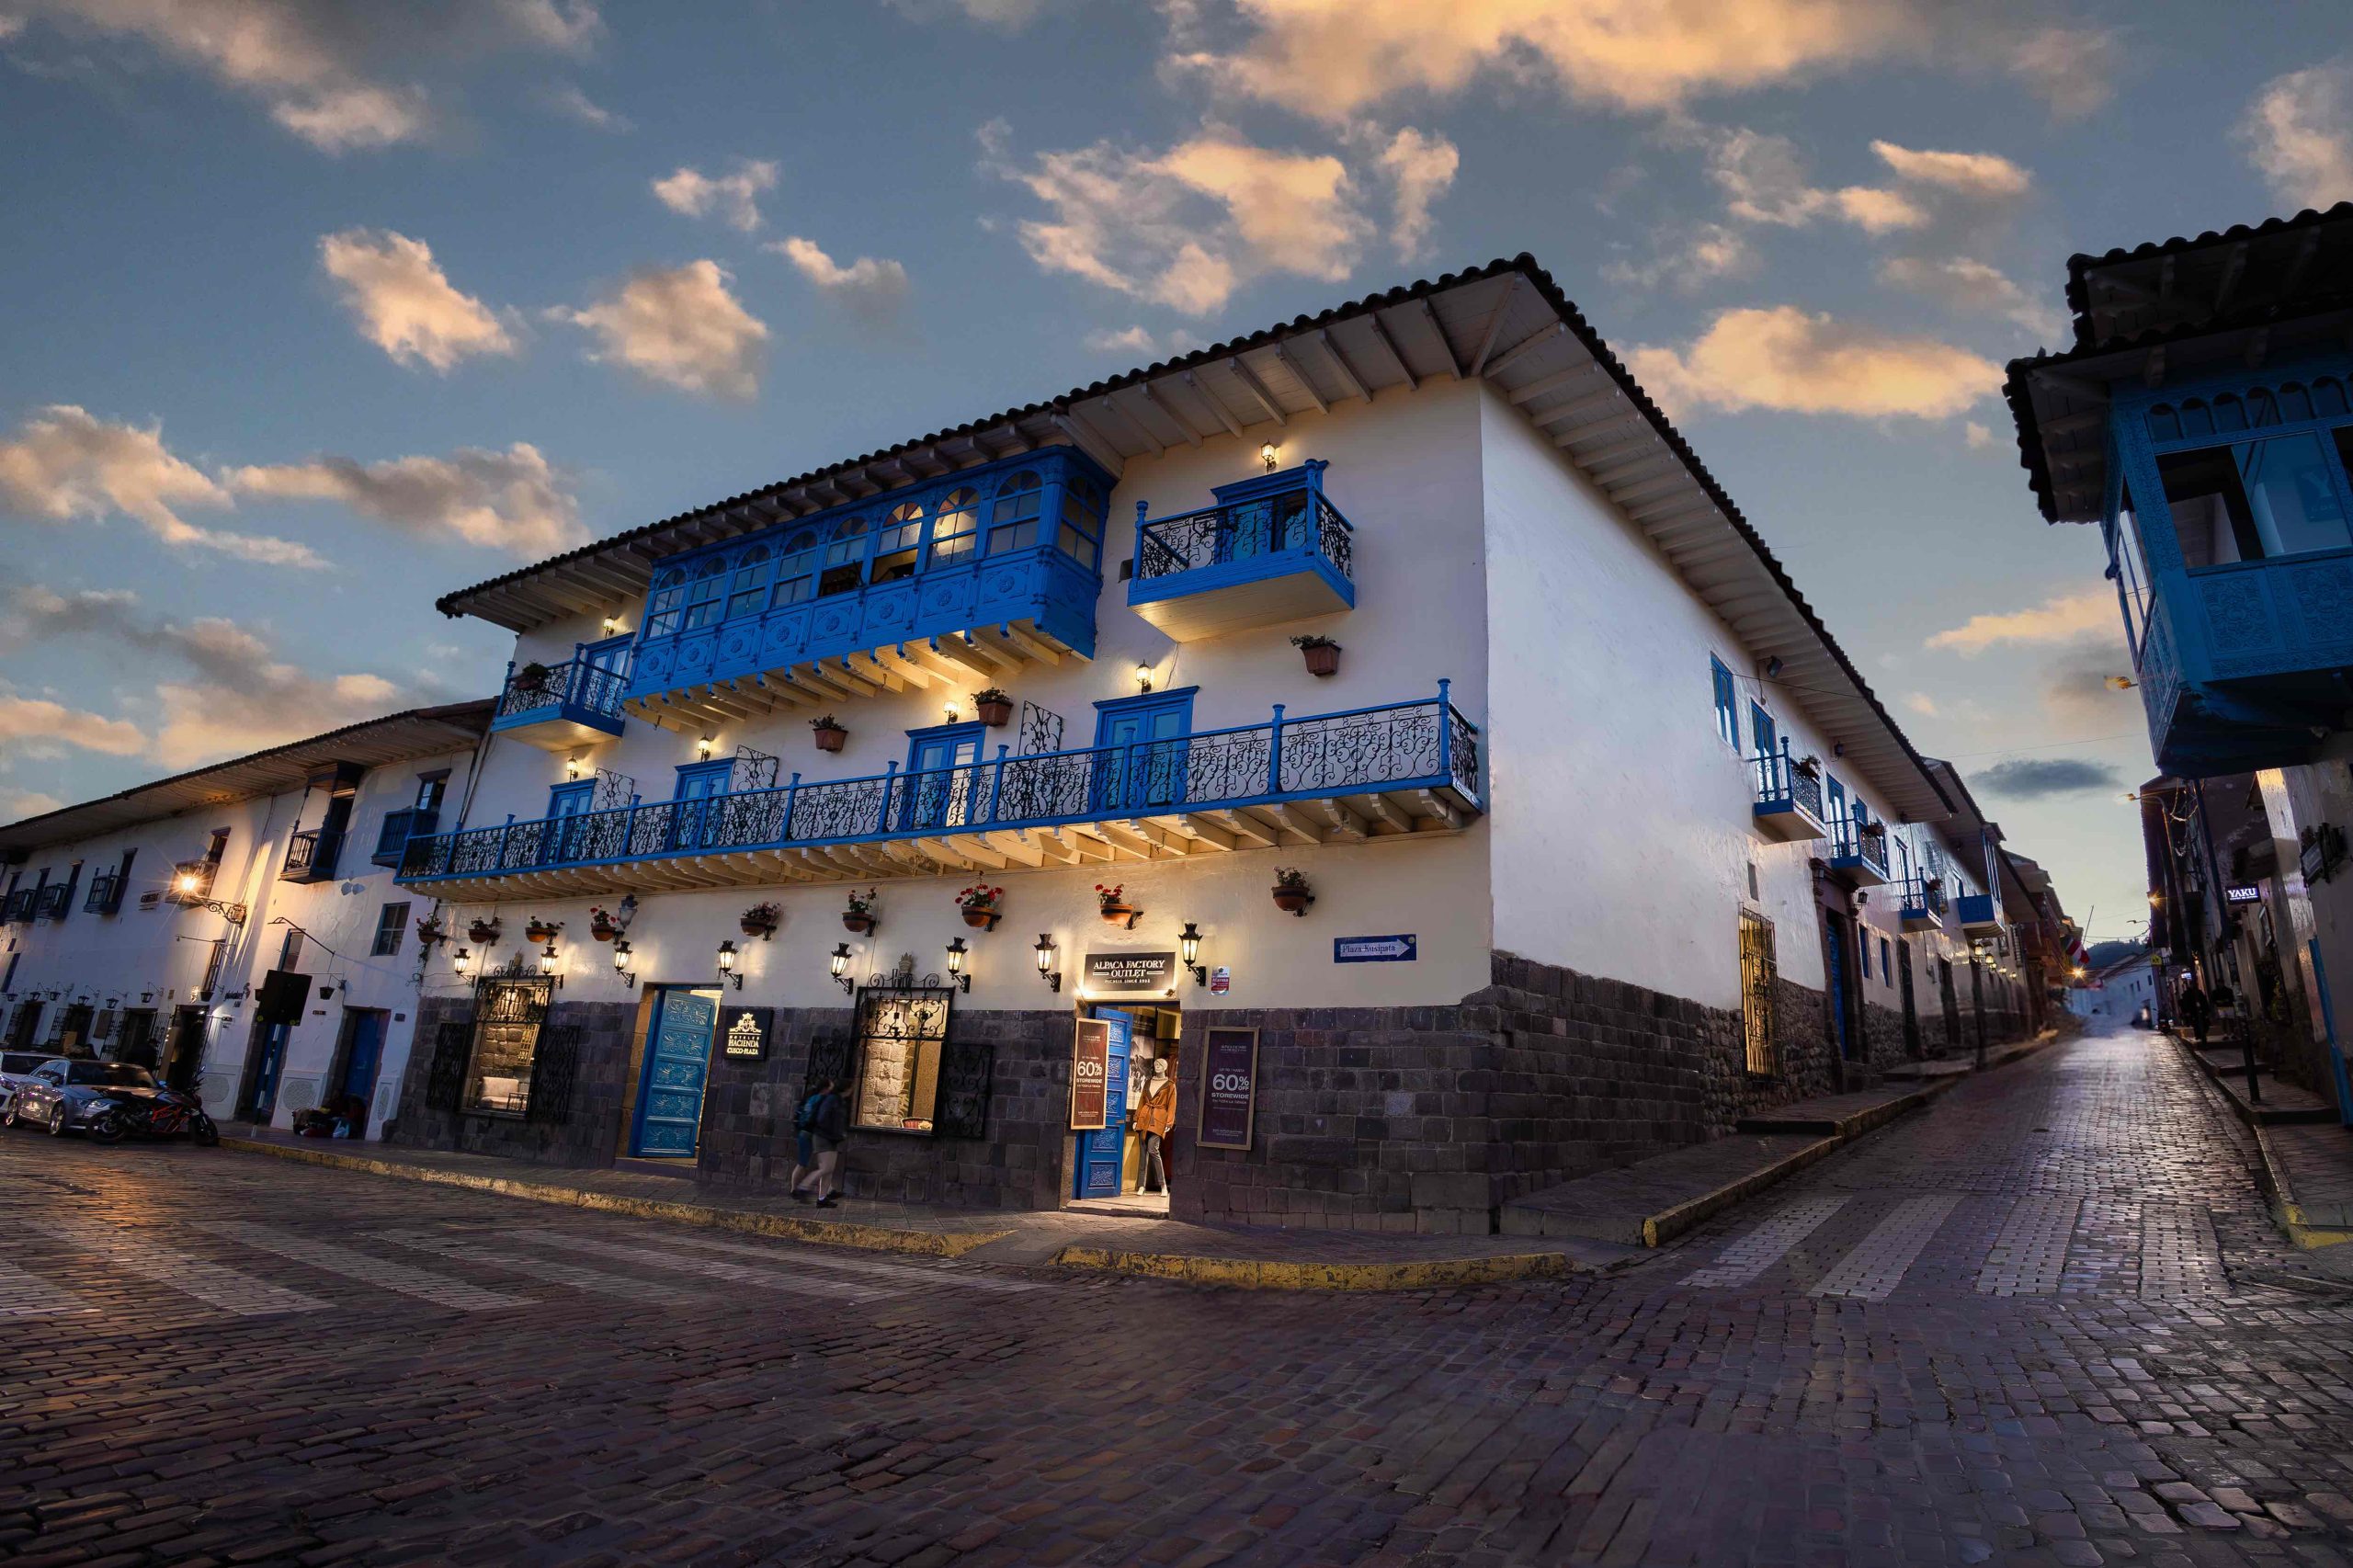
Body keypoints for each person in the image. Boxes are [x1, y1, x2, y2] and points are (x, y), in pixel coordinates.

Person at [791, 1079, 849, 1208]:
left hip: (824, 1136)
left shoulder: (832, 1099)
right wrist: (834, 1134)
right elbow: (823, 1119)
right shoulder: (830, 1099)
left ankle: (823, 1196)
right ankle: (802, 1187)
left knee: (828, 1169)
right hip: (822, 1136)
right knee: (815, 1166)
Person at [2177, 980, 2212, 1045]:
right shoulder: (2186, 994)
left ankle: (2203, 1034)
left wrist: (2207, 1011)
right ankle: (2199, 1035)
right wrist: (2186, 1012)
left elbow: (2204, 1002)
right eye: (2191, 984)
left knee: (2205, 1024)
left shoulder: (2199, 992)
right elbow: (2184, 1003)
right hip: (2193, 1012)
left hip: (2201, 1011)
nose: (2193, 986)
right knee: (2196, 1024)